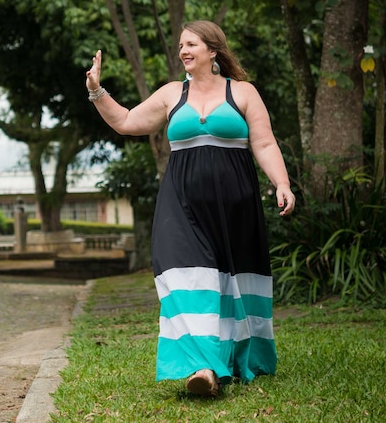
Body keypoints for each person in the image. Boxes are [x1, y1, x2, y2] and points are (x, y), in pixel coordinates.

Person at [85, 20, 295, 396]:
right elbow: (128, 121)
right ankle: (202, 367)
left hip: (235, 204)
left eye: (191, 44)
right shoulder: (171, 94)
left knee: (233, 281)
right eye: (181, 45)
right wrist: (97, 90)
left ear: (212, 51)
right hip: (180, 203)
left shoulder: (243, 92)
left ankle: (227, 360)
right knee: (183, 274)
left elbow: (264, 144)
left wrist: (282, 183)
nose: (183, 50)